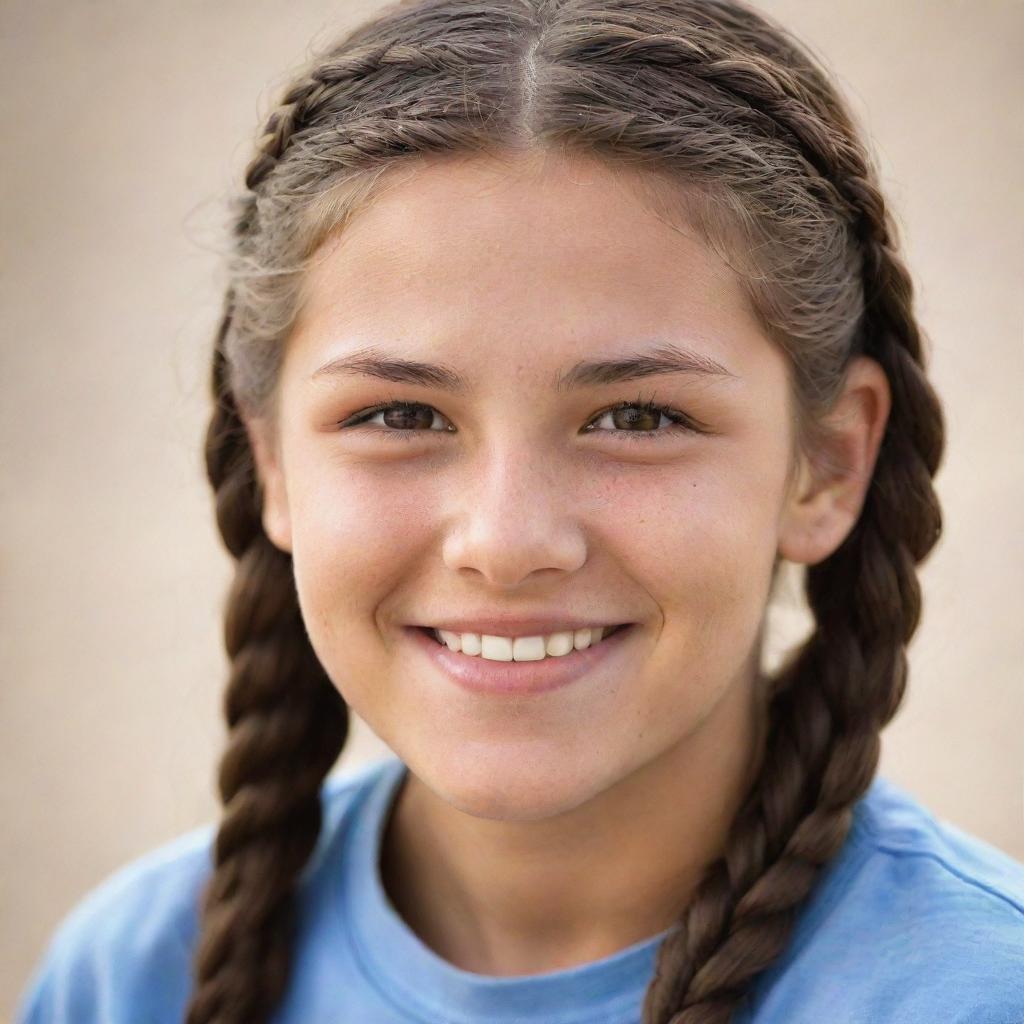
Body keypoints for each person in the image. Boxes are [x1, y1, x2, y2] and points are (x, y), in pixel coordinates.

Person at [16, 0, 1024, 1022]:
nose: (505, 541)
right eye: (399, 412)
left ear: (827, 463)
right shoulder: (128, 978)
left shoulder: (978, 993)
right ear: (272, 460)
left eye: (636, 416)